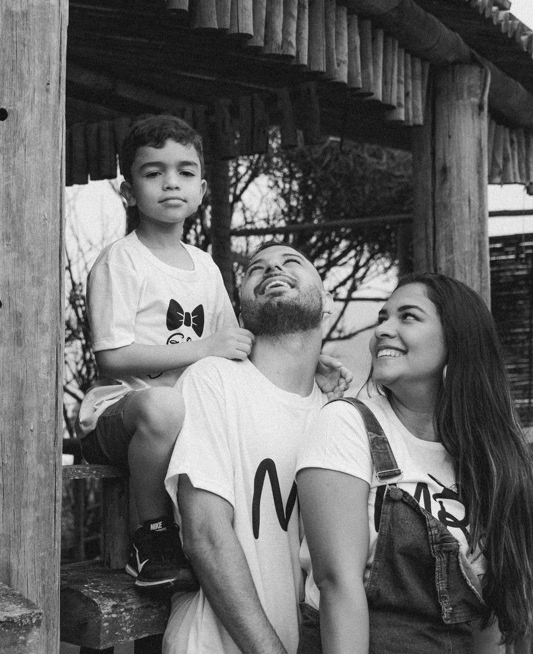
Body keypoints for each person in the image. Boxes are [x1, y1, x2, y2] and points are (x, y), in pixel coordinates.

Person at [271, 273, 533, 654]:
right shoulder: (347, 426)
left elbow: (483, 606)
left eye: (408, 317)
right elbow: (337, 582)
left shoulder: (482, 459)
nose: (385, 329)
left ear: (457, 341)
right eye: (383, 316)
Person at [78, 115, 349, 592]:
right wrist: (203, 348)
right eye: (153, 172)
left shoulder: (203, 265)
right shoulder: (122, 260)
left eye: (184, 172)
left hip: (182, 418)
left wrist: (307, 362)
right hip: (122, 412)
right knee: (163, 406)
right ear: (128, 191)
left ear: (202, 189)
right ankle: (152, 537)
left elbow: (235, 342)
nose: (170, 183)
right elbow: (112, 357)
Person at [157, 242, 335, 654]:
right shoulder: (215, 382)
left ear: (324, 298)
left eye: (291, 263)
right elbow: (206, 534)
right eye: (256, 268)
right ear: (241, 304)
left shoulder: (339, 415)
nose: (273, 270)